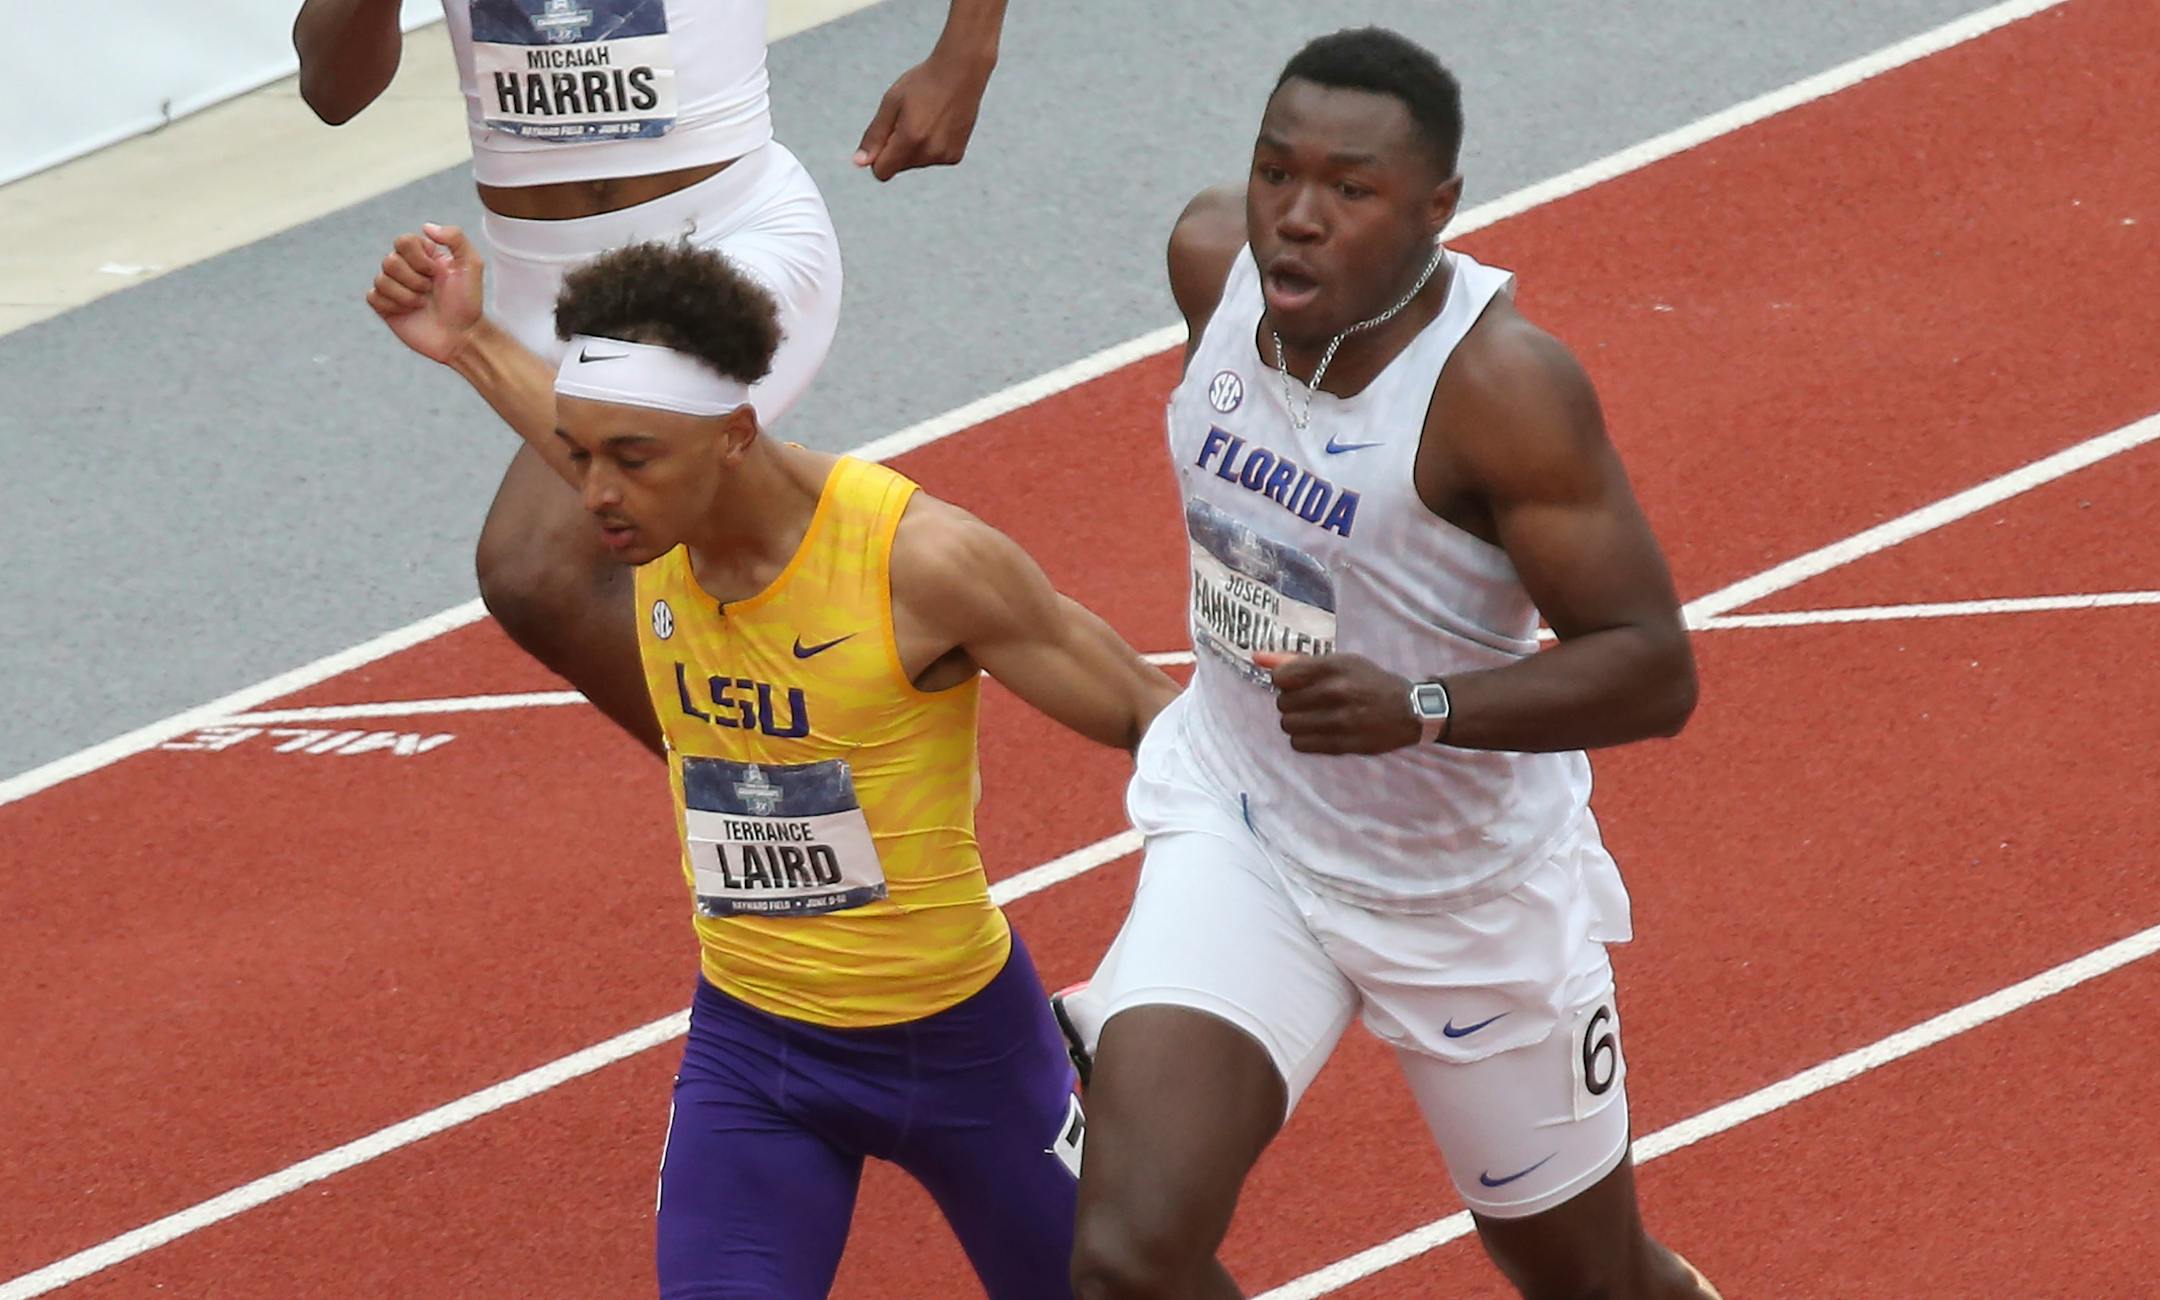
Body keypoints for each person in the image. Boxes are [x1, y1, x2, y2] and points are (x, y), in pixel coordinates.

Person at [365, 227, 1180, 1298]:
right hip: (755, 1053)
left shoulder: (920, 564)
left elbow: (1155, 719)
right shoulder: (646, 511)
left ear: (737, 434)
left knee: (1131, 1285)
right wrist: (468, 340)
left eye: (629, 460)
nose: (593, 492)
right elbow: (602, 439)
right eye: (581, 453)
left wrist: (1161, 979)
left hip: (966, 1052)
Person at [1053, 27, 1722, 1300]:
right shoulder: (1213, 266)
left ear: (1437, 208)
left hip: (1458, 892)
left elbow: (1652, 669)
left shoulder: (1501, 391)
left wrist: (1423, 707)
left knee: (1592, 1283)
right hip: (1246, 829)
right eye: (1274, 173)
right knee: (1126, 1261)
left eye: (1349, 191)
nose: (1296, 219)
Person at [295, 0, 1009, 754]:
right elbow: (332, 91)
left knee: (540, 569)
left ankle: (793, 804)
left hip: (721, 245)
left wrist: (967, 51)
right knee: (672, 550)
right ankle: (791, 816)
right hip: (549, 292)